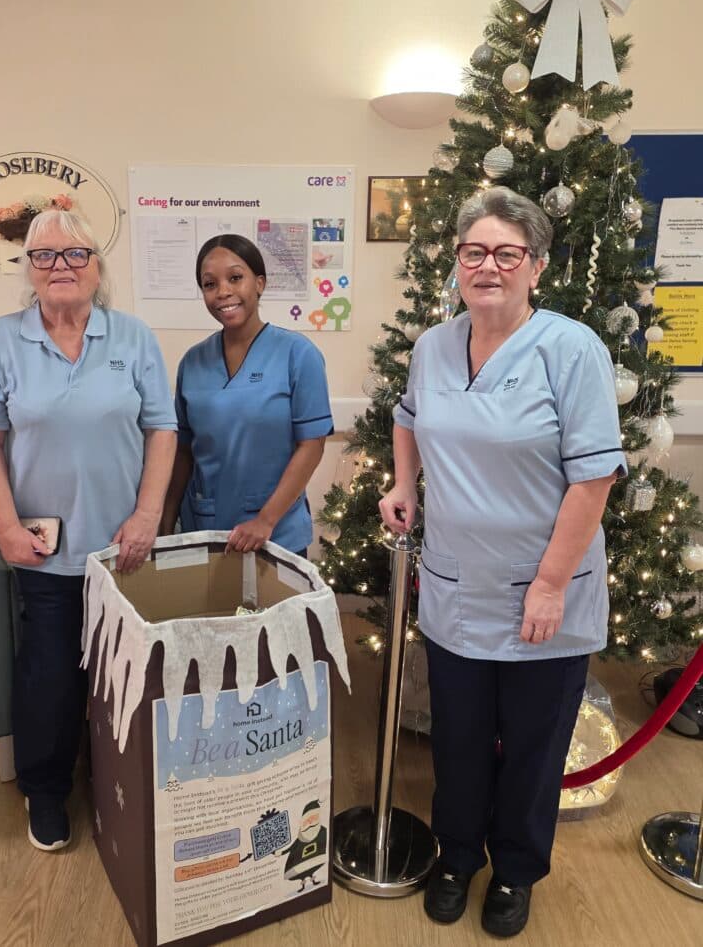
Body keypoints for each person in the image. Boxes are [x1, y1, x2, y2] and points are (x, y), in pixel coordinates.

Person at [379, 186, 626, 937]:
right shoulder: (434, 344)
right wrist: (403, 484)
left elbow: (594, 477)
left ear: (537, 266)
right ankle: (457, 856)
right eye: (474, 252)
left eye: (506, 253)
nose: (488, 265)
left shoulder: (573, 348)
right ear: (457, 263)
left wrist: (550, 584)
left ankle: (515, 871)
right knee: (456, 736)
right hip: (457, 584)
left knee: (530, 746)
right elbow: (408, 418)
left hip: (543, 591)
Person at [0, 206, 177, 852]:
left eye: (75, 254)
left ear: (97, 267)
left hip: (123, 551)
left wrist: (147, 516)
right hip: (43, 550)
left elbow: (162, 430)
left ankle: (121, 785)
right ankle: (46, 790)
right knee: (50, 676)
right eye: (45, 256)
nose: (60, 266)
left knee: (125, 676)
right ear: (28, 270)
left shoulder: (133, 338)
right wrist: (2, 524)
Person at [160, 234, 332, 556]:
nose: (223, 291)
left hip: (276, 535)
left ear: (260, 283)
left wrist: (265, 521)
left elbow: (312, 445)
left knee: (278, 608)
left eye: (235, 278)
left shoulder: (298, 355)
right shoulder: (193, 362)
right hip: (206, 531)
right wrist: (166, 525)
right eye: (210, 284)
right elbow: (183, 452)